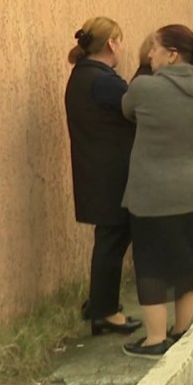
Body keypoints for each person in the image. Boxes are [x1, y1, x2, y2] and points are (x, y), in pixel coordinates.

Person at [120, 25, 193, 358]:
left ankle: (154, 339)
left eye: (155, 48)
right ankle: (181, 330)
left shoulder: (144, 87)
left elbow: (127, 111)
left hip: (154, 191)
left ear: (172, 54)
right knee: (191, 260)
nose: (150, 54)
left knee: (152, 263)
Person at [64, 17, 143, 337]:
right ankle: (105, 312)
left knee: (110, 239)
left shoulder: (82, 75)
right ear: (111, 43)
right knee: (112, 241)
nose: (122, 47)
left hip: (97, 171)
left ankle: (100, 304)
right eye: (120, 41)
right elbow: (139, 109)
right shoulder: (104, 80)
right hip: (112, 175)